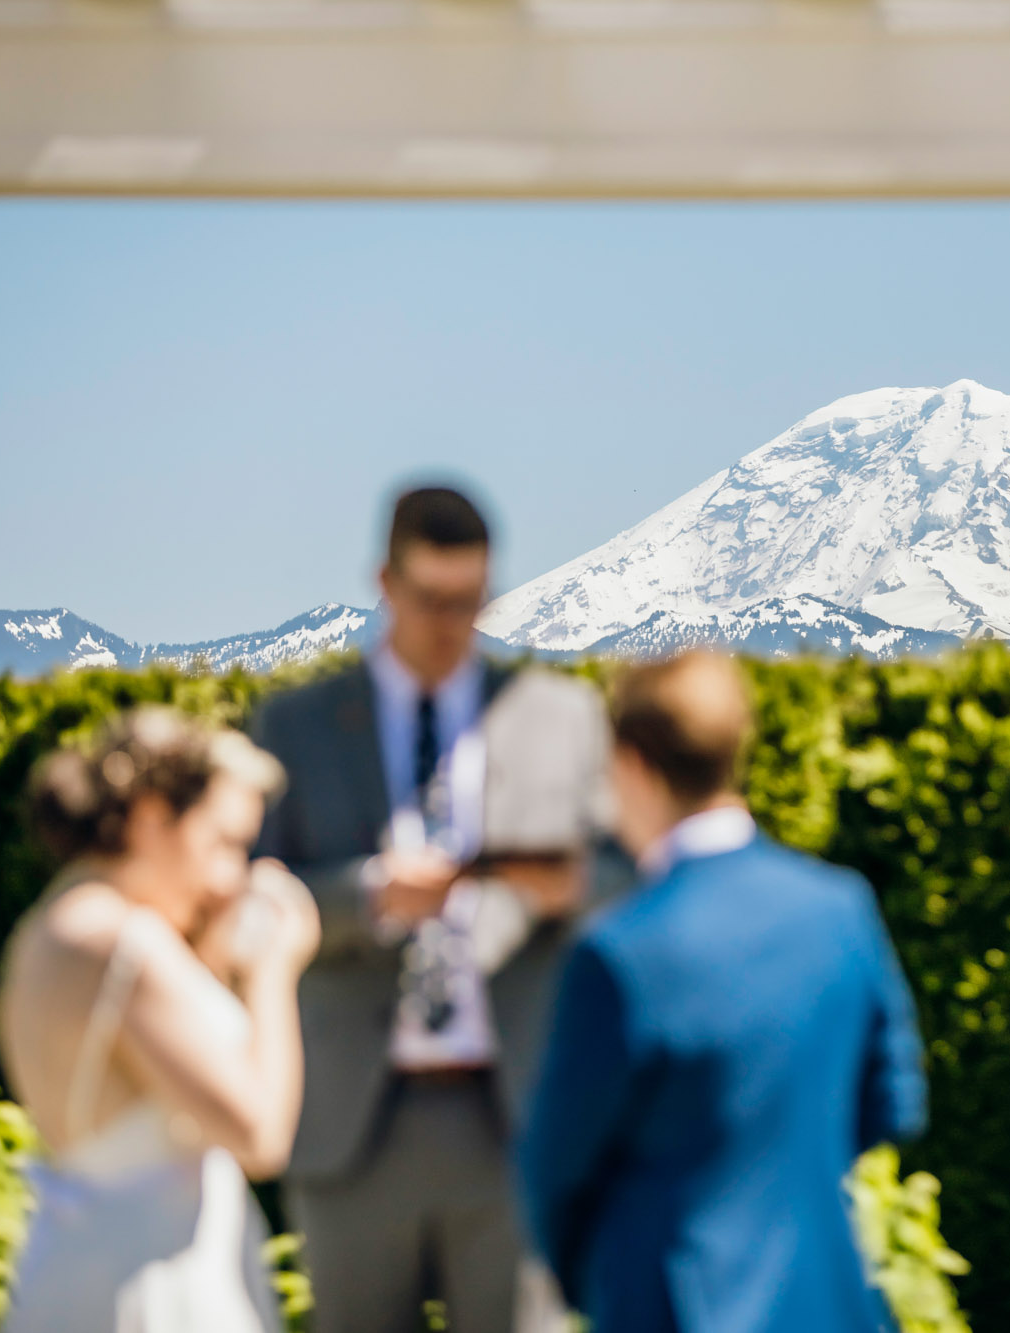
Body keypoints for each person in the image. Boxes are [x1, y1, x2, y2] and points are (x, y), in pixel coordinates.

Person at [250, 484, 622, 1333]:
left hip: (512, 1116)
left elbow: (625, 878)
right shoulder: (296, 723)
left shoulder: (560, 715)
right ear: (384, 580)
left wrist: (568, 890)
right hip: (354, 1124)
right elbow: (251, 899)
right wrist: (367, 893)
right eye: (431, 600)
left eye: (470, 600)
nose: (453, 622)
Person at [517, 651, 929, 1333]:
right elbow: (894, 1101)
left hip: (672, 1303)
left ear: (631, 765)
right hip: (823, 1296)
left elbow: (556, 1165)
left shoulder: (620, 951)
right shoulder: (840, 909)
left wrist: (595, 1277)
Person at [0, 706, 320, 1333]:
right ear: (150, 818)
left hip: (83, 1262)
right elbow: (260, 1136)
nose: (229, 877)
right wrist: (274, 970)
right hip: (151, 1289)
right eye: (219, 844)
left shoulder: (58, 925)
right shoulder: (123, 946)